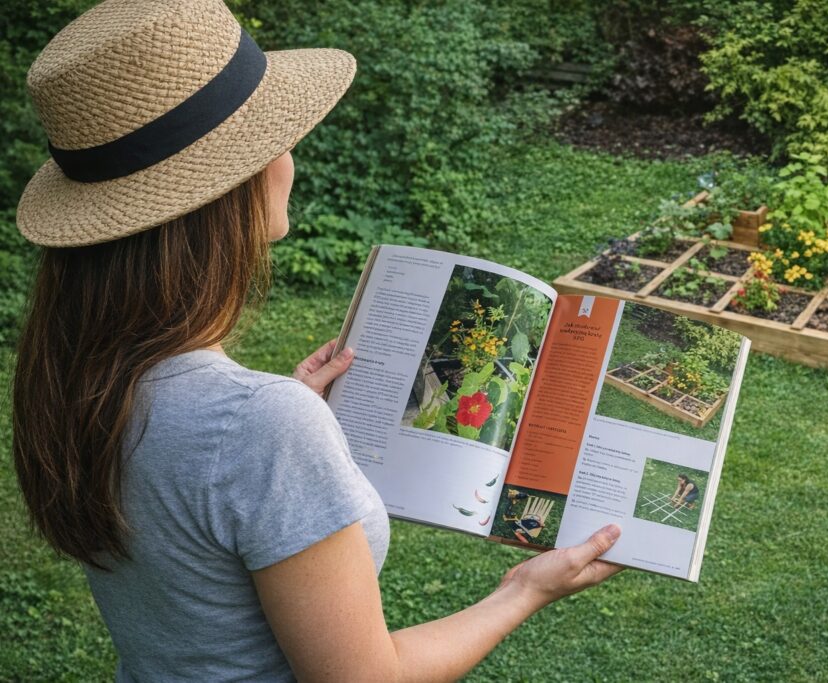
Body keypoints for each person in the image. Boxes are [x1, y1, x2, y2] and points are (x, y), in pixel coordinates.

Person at [10, 1, 622, 680]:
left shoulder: (76, 380)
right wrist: (524, 589)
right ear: (234, 187)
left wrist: (284, 418)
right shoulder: (260, 426)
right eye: (276, 138)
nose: (289, 157)